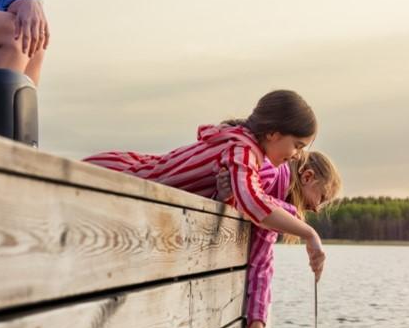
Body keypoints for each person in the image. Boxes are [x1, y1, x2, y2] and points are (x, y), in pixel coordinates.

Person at [83, 90, 328, 291]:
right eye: (297, 146)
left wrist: (223, 197)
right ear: (273, 133)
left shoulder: (246, 152)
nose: (297, 155)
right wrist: (309, 234)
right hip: (115, 177)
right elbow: (252, 202)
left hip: (129, 188)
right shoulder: (241, 149)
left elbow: (239, 197)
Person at [236, 151, 343, 328]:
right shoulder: (271, 170)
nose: (316, 209)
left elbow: (262, 260)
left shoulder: (275, 202)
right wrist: (307, 231)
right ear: (307, 177)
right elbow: (252, 198)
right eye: (321, 197)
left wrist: (257, 319)